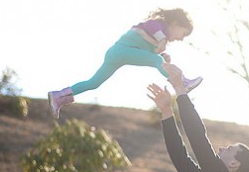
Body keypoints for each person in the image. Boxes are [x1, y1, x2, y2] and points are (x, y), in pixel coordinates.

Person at [47, 8, 202, 119]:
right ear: (174, 23)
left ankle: (58, 96)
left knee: (93, 83)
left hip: (116, 53)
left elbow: (149, 52)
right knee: (157, 61)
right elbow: (150, 26)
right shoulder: (158, 26)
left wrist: (163, 55)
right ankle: (183, 83)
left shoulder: (161, 38)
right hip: (122, 51)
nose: (182, 38)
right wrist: (160, 49)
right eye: (183, 33)